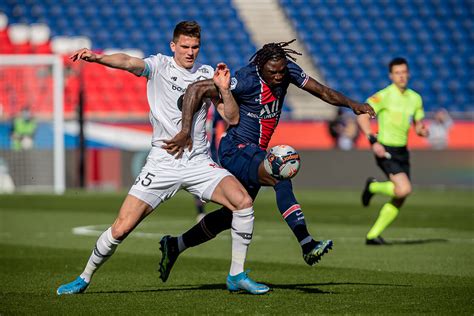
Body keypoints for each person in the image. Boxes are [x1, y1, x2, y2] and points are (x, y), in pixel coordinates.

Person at [56, 21, 269, 295]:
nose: (190, 52)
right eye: (184, 47)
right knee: (121, 229)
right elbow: (127, 61)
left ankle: (236, 274)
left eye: (195, 47)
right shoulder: (158, 66)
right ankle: (84, 278)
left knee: (243, 203)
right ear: (173, 46)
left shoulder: (206, 75)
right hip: (163, 161)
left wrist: (225, 89)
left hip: (198, 162)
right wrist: (98, 58)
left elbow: (232, 117)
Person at [158, 40, 375, 281]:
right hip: (235, 149)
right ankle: (306, 242)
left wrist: (353, 105)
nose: (279, 76)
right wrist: (185, 130)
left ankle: (175, 245)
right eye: (273, 72)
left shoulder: (287, 70)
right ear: (261, 66)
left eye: (282, 70)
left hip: (254, 152)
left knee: (231, 215)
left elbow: (322, 91)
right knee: (280, 172)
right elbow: (197, 89)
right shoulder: (246, 79)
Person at [357, 57, 429, 245]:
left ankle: (373, 235)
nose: (401, 76)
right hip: (385, 148)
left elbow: (419, 124)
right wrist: (373, 140)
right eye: (397, 73)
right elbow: (362, 116)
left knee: (400, 197)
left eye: (404, 72)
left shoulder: (415, 98)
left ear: (408, 73)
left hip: (402, 151)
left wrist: (422, 130)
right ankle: (372, 187)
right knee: (404, 189)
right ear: (391, 75)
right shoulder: (384, 96)